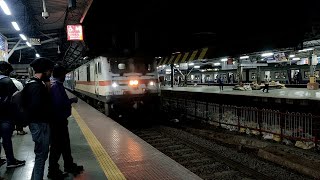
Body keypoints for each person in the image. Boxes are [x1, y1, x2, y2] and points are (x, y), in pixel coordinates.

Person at [48, 64, 83, 178]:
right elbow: (59, 104)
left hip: (60, 121)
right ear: (61, 75)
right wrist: (72, 100)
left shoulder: (56, 85)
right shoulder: (56, 86)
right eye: (64, 74)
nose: (65, 76)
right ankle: (52, 171)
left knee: (65, 145)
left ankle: (69, 165)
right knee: (57, 147)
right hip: (57, 122)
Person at [23, 58, 54, 180]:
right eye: (50, 71)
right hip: (40, 124)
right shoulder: (36, 86)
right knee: (41, 155)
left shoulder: (31, 83)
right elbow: (36, 107)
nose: (51, 73)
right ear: (45, 71)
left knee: (40, 155)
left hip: (37, 124)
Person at [0, 62, 26, 169]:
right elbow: (16, 99)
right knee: (6, 139)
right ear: (6, 70)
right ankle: (10, 160)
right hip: (5, 116)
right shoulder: (7, 81)